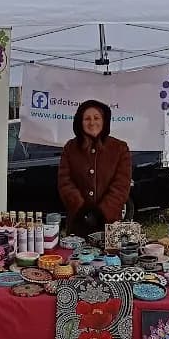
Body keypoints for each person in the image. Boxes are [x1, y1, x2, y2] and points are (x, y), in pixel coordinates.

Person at [58, 100, 132, 237]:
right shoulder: (70, 148)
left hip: (110, 225)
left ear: (104, 121)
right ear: (80, 122)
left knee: (111, 258)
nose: (92, 123)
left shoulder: (120, 148)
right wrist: (81, 209)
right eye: (87, 118)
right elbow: (65, 182)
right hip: (78, 223)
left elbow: (121, 185)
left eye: (96, 118)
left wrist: (102, 212)